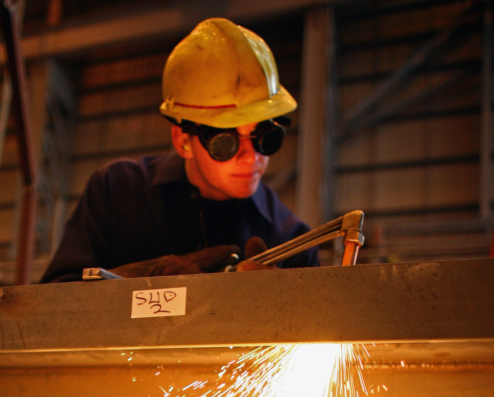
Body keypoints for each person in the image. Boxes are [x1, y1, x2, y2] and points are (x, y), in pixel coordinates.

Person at [40, 17, 319, 283]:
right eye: (226, 142)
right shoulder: (116, 193)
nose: (251, 156)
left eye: (263, 137)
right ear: (183, 140)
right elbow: (56, 300)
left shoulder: (290, 239)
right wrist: (142, 282)